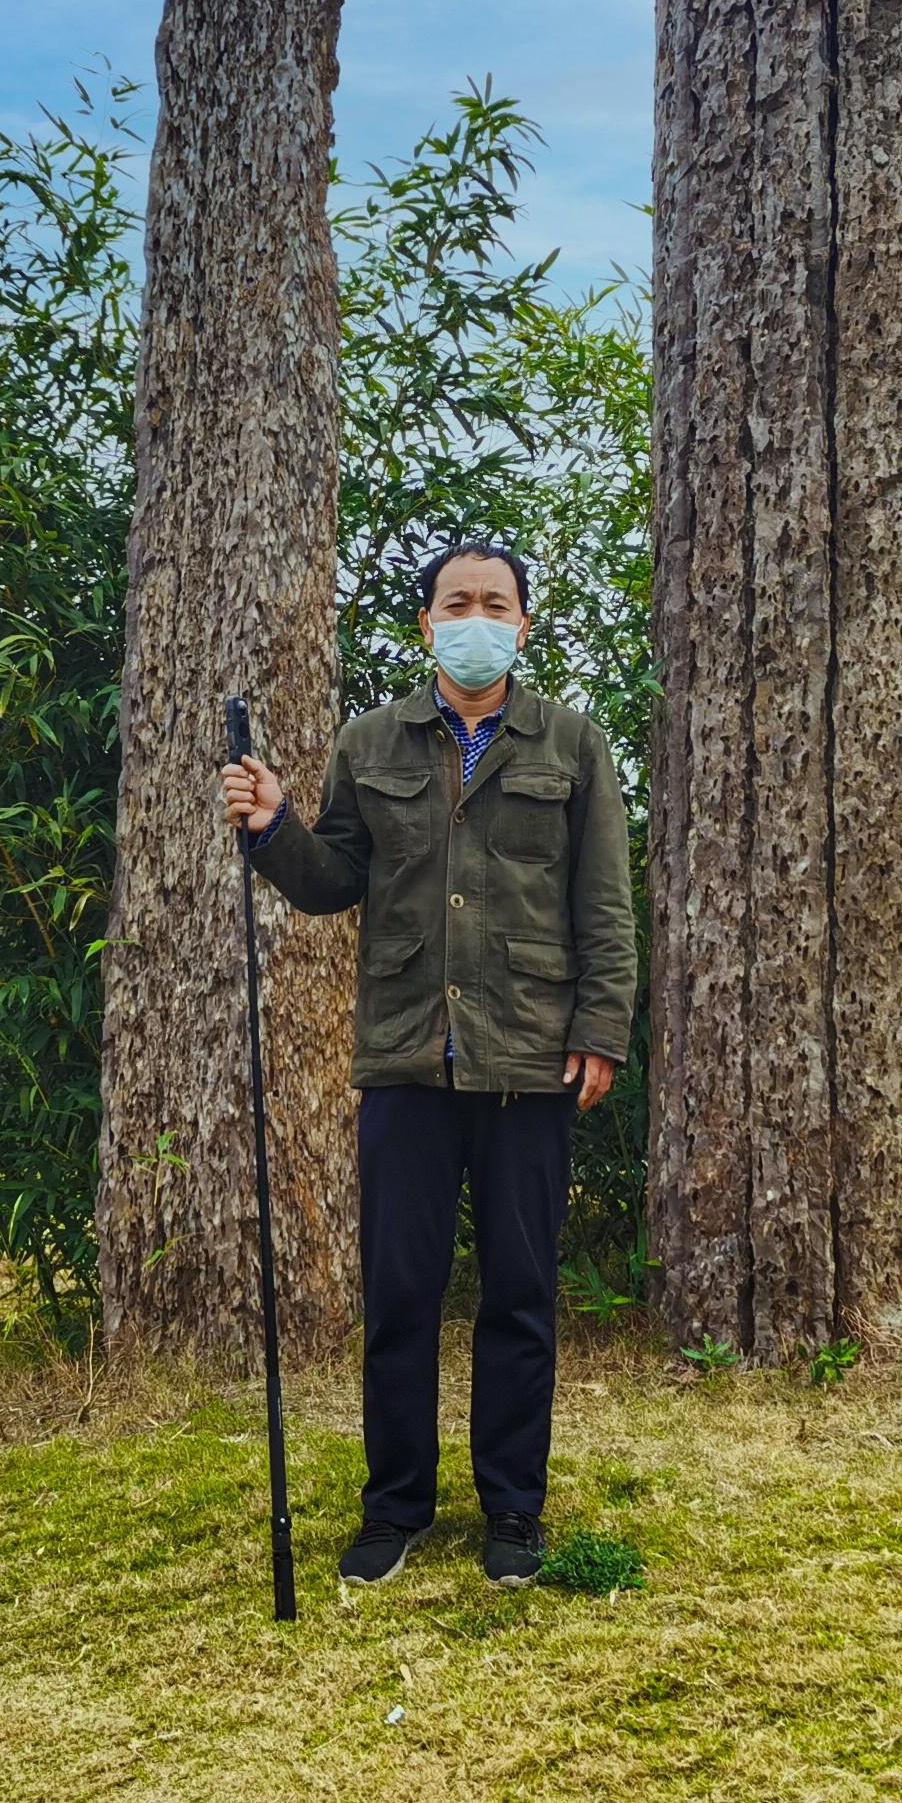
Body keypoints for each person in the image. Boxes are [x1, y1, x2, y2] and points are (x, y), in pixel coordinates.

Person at [221, 537, 637, 1589]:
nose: (477, 616)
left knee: (520, 1294)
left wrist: (601, 1030)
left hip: (531, 1061)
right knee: (401, 1292)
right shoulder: (371, 743)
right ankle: (395, 1505)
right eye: (458, 601)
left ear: (525, 623)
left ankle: (513, 1511)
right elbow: (330, 883)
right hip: (406, 1059)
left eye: (496, 601)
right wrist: (274, 829)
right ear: (427, 623)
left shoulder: (575, 747)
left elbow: (606, 909)